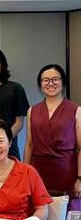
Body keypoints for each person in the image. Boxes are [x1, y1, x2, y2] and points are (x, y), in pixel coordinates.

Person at [23, 64, 81, 200]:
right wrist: (24, 173)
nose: (51, 83)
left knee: (66, 216)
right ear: (40, 84)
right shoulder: (32, 110)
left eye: (55, 79)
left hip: (67, 173)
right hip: (38, 172)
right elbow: (29, 144)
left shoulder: (76, 110)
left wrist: (80, 177)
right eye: (46, 80)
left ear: (62, 81)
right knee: (38, 215)